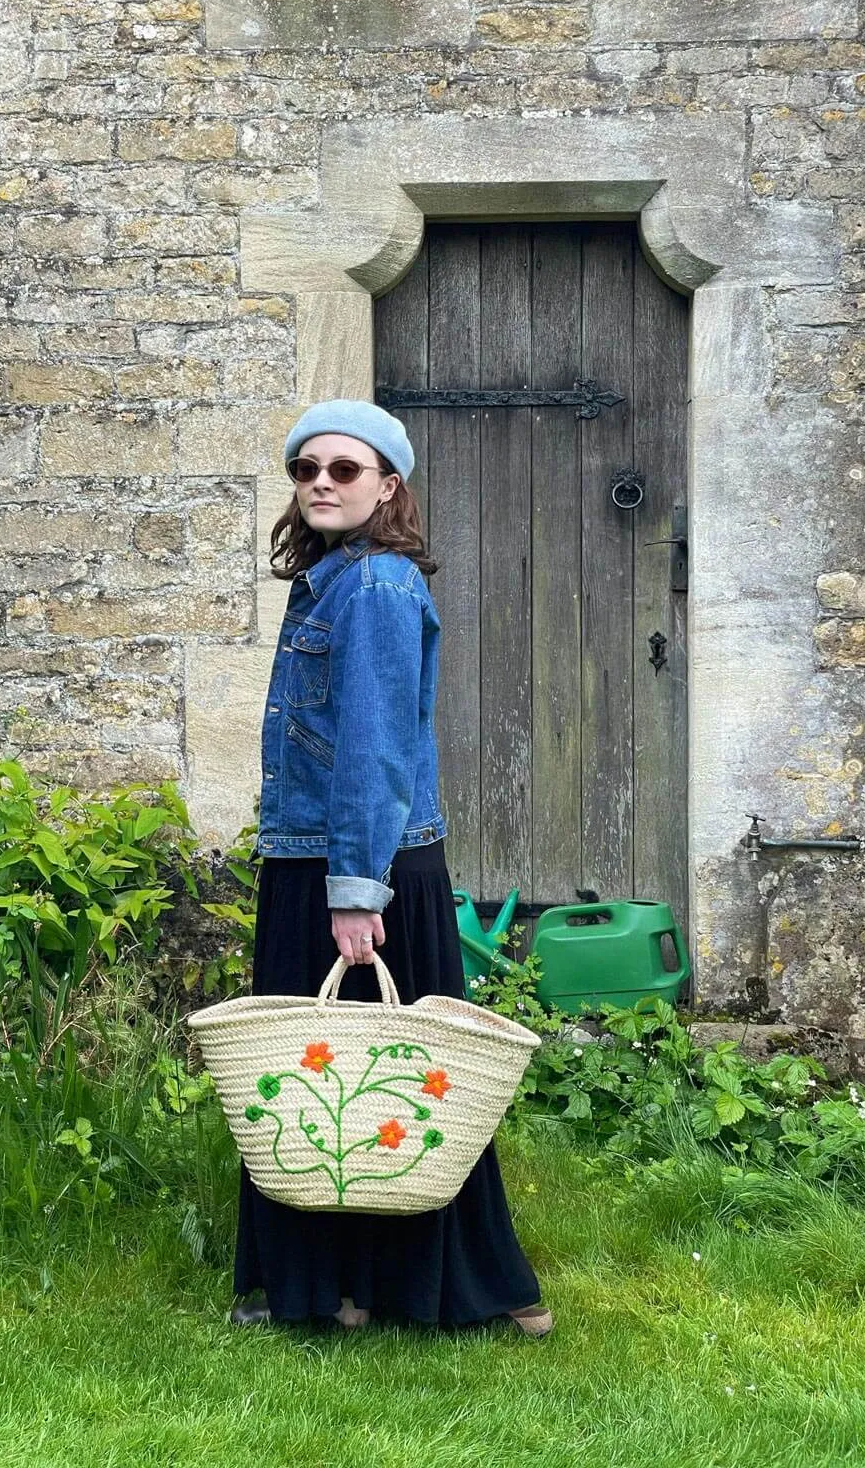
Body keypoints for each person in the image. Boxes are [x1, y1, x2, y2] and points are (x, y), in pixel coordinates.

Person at [229, 397, 552, 1336]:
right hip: (322, 858)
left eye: (344, 470)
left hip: (353, 866)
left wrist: (354, 895)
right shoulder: (333, 578)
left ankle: (439, 1290)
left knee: (379, 1087)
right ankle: (350, 1290)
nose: (322, 483)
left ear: (389, 485)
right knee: (332, 1087)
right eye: (306, 470)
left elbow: (373, 749)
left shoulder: (372, 588)